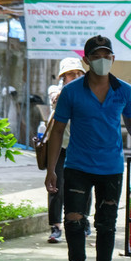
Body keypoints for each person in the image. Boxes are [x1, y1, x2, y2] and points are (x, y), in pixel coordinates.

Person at [44, 35, 131, 261]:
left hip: (111, 167)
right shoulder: (71, 92)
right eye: (96, 56)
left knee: (106, 224)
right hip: (77, 165)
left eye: (106, 56)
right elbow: (58, 130)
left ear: (113, 58)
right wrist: (51, 170)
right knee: (73, 220)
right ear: (86, 60)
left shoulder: (124, 90)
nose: (102, 60)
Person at [45, 58, 90, 243]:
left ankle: (84, 221)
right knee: (56, 185)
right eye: (71, 74)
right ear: (63, 77)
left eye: (79, 73)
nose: (76, 77)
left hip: (82, 145)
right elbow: (56, 98)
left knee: (85, 185)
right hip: (60, 146)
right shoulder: (55, 90)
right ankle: (55, 226)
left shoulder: (88, 91)